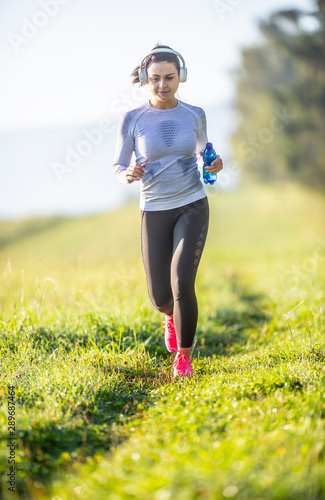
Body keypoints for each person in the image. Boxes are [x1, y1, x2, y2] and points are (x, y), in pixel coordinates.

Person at [113, 44, 223, 377]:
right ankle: (169, 317)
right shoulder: (133, 119)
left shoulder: (194, 114)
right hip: (154, 209)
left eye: (170, 78)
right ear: (146, 79)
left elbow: (206, 154)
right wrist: (126, 174)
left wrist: (214, 165)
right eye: (156, 78)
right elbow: (118, 166)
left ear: (181, 78)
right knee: (161, 296)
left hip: (192, 205)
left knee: (181, 282)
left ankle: (184, 358)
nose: (163, 85)